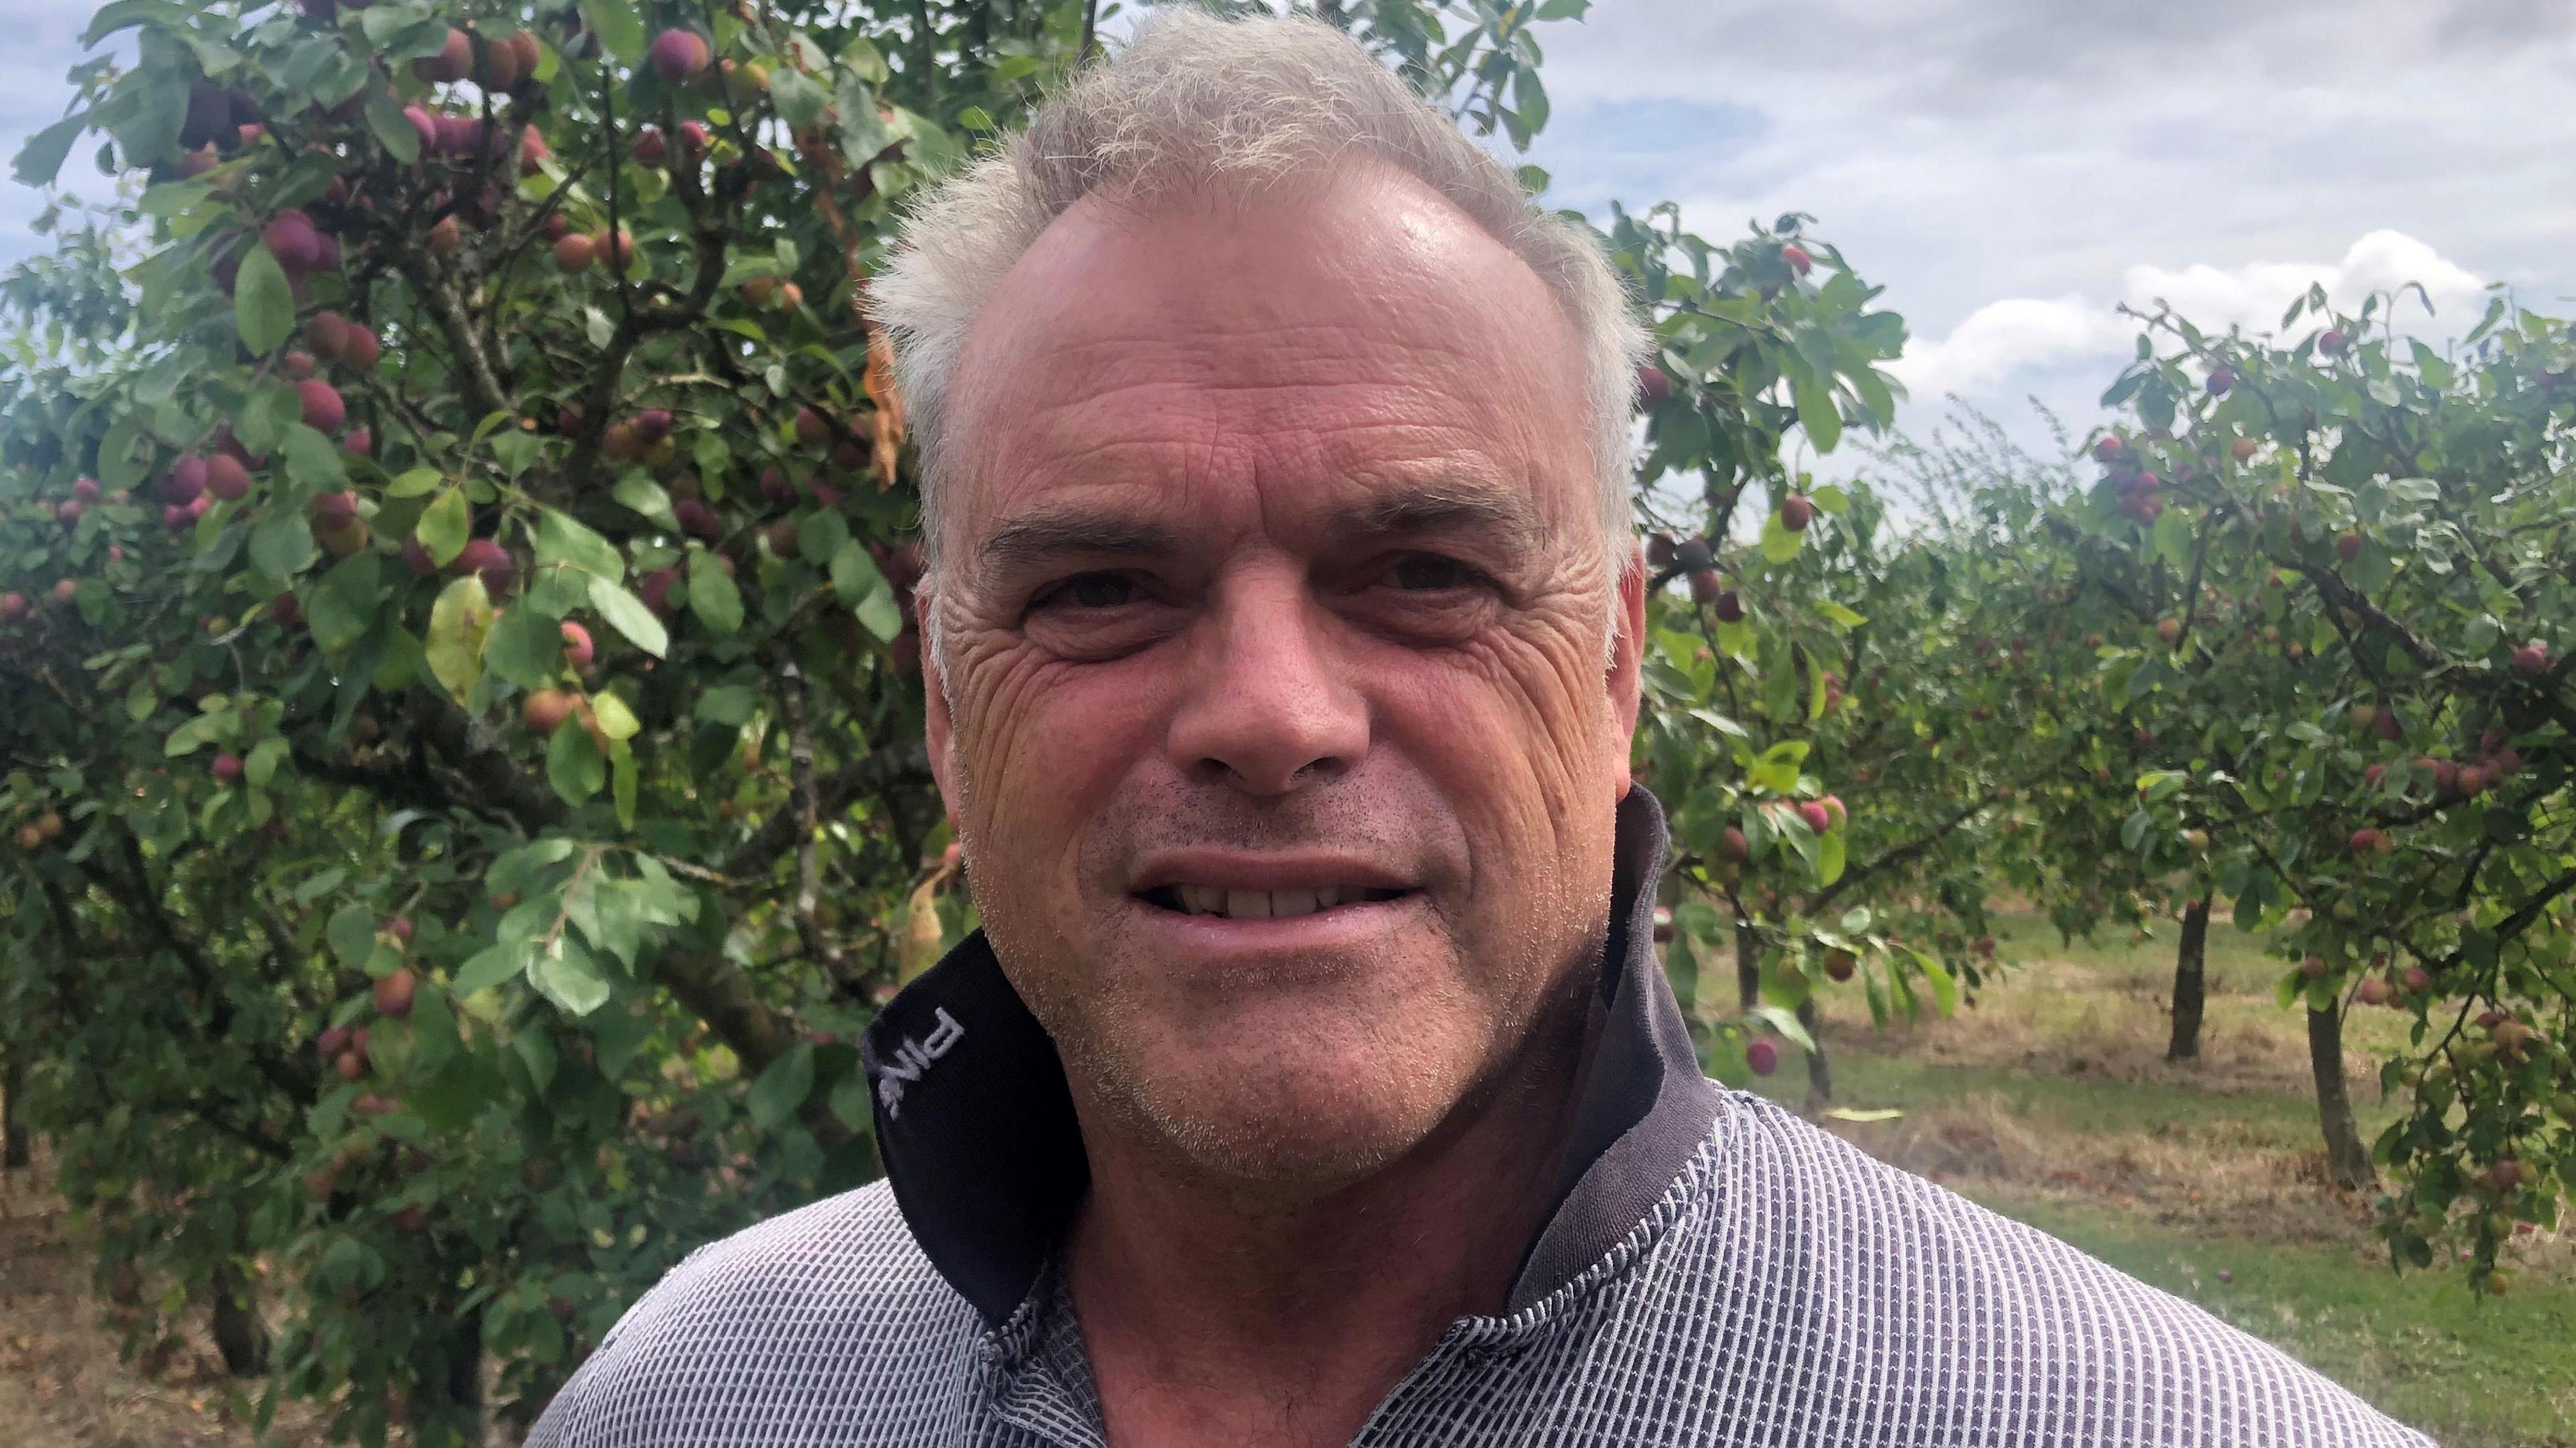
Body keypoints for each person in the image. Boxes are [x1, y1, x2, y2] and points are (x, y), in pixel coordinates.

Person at [529, 11, 2427, 1446]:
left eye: (1425, 568)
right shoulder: (699, 1397)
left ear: (1613, 676)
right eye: (1098, 588)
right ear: (950, 714)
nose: (1270, 716)